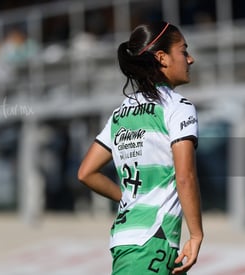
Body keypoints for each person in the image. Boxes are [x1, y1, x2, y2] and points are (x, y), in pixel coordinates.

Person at [78, 21, 203, 275]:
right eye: (183, 50)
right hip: (153, 241)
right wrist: (197, 234)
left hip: (125, 239)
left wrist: (127, 199)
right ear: (162, 58)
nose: (190, 59)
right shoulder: (178, 107)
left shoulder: (121, 113)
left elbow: (86, 172)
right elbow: (185, 177)